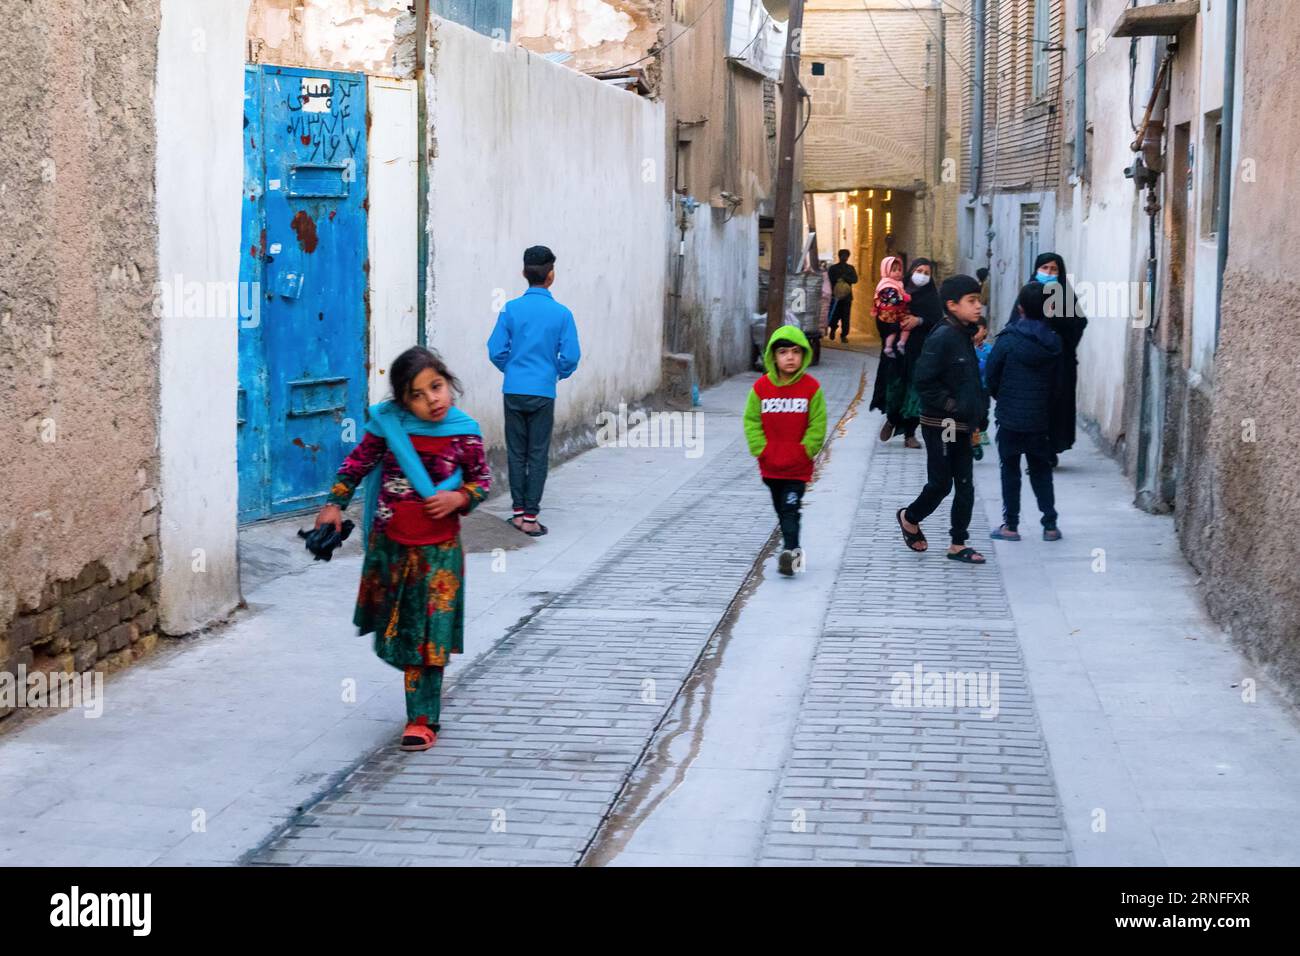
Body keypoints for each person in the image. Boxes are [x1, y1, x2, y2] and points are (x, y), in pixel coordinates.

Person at [315, 346, 491, 752]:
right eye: (418, 393)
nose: (433, 399)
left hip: (440, 554)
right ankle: (418, 697)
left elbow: (481, 481)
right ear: (402, 399)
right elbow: (355, 465)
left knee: (430, 635)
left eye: (437, 386)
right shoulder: (389, 426)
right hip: (392, 550)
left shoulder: (465, 431)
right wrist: (333, 505)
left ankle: (422, 718)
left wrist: (459, 500)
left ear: (449, 383)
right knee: (400, 633)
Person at [895, 274, 989, 565]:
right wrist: (953, 406)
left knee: (965, 483)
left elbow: (970, 381)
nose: (978, 307)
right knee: (941, 484)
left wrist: (977, 415)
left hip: (963, 424)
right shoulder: (943, 336)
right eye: (971, 301)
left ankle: (958, 543)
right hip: (943, 425)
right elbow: (924, 381)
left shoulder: (964, 334)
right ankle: (909, 517)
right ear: (951, 305)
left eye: (979, 301)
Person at [487, 245, 581, 537]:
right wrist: (555, 373)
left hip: (514, 389)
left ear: (523, 274)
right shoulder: (562, 314)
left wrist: (512, 369)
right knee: (538, 453)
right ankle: (530, 517)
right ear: (551, 276)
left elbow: (495, 350)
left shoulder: (510, 309)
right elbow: (571, 357)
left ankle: (516, 513)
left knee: (516, 452)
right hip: (543, 391)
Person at [744, 325, 827, 577]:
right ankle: (792, 548)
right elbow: (752, 421)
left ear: (803, 355)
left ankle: (791, 553)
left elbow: (818, 423)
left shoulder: (811, 388)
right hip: (770, 466)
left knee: (790, 508)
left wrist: (806, 450)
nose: (790, 357)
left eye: (795, 352)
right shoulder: (761, 388)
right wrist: (762, 449)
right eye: (783, 352)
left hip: (797, 467)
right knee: (781, 510)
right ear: (773, 356)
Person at [988, 282, 1064, 541]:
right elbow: (1058, 385)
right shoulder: (1053, 343)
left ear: (1019, 308)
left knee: (1010, 469)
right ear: (1048, 309)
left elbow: (991, 376)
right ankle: (1050, 524)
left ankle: (1011, 526)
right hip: (1040, 420)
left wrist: (1004, 398)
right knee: (1041, 470)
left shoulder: (1008, 340)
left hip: (1009, 418)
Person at [1008, 253, 1088, 460]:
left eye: (1054, 269)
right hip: (1031, 364)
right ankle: (1034, 449)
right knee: (1035, 406)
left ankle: (1051, 449)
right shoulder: (1027, 294)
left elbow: (1078, 324)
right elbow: (1014, 324)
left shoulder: (1066, 297)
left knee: (1057, 406)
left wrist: (1056, 327)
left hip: (1061, 364)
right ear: (1036, 269)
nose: (1049, 273)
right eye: (1045, 268)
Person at [870, 257, 943, 448]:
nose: (923, 276)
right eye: (920, 271)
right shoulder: (897, 290)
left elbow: (936, 321)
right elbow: (883, 316)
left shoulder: (932, 297)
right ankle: (892, 419)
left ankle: (910, 434)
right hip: (897, 353)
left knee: (915, 393)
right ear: (911, 272)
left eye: (927, 273)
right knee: (895, 389)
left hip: (920, 352)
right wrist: (896, 323)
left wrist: (918, 321)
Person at [873, 255, 911, 357]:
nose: (898, 272)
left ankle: (900, 343)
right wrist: (905, 298)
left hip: (896, 312)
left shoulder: (897, 283)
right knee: (897, 328)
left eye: (899, 269)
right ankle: (890, 346)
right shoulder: (886, 284)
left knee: (904, 327)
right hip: (890, 313)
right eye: (893, 270)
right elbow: (892, 299)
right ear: (885, 270)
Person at [825, 249, 858, 342]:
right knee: (835, 315)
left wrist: (845, 278)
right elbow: (829, 280)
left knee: (845, 317)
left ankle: (844, 335)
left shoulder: (850, 268)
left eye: (846, 256)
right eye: (843, 255)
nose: (844, 257)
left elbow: (855, 279)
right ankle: (833, 329)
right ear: (839, 256)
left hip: (846, 297)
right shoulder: (833, 268)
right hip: (835, 297)